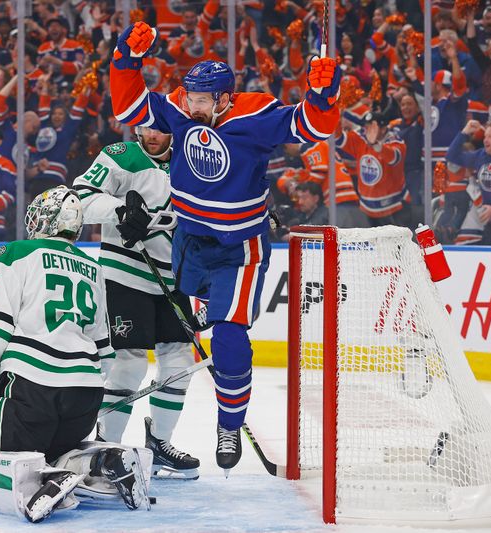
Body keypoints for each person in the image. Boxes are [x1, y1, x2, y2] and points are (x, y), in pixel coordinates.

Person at [108, 21, 341, 473]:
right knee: (193, 327)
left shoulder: (254, 115)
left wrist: (322, 96)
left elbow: (311, 127)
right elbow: (130, 106)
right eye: (189, 97)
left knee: (229, 336)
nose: (192, 107)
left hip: (240, 247)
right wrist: (125, 62)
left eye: (202, 100)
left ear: (224, 99)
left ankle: (228, 423)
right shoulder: (178, 106)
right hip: (190, 241)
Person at [0, 186, 151, 522]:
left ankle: (42, 481)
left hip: (31, 387)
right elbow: (105, 350)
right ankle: (101, 461)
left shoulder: (15, 253)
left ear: (46, 219)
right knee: (59, 453)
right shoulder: (92, 267)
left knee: (8, 476)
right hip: (84, 393)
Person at [73, 127, 200, 479]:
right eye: (146, 128)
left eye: (160, 129)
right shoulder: (121, 155)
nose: (152, 135)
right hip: (124, 273)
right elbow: (80, 196)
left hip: (173, 278)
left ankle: (159, 444)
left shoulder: (192, 162)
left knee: (179, 360)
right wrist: (120, 210)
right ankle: (105, 447)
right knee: (128, 363)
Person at [446, 120, 491, 245]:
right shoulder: (481, 155)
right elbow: (452, 155)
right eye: (485, 136)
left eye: (490, 136)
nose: (485, 140)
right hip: (488, 224)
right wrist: (465, 132)